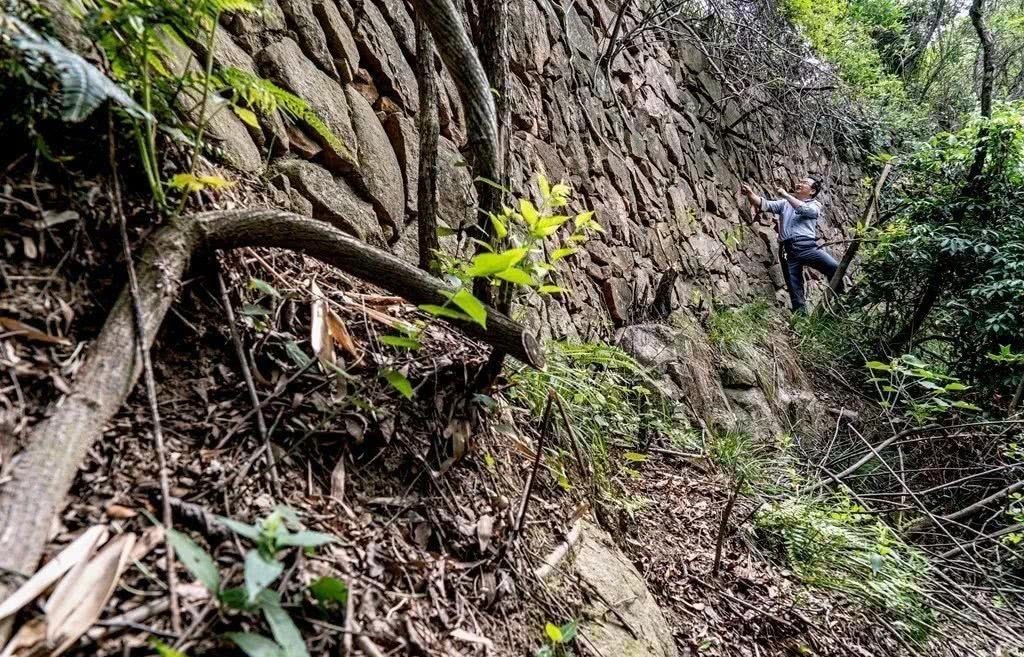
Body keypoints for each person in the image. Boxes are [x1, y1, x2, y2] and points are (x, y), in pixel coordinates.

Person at [741, 176, 839, 313]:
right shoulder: (784, 203)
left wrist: (786, 195)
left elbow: (805, 210)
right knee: (794, 286)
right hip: (787, 249)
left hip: (806, 246)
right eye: (800, 181)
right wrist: (750, 193)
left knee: (834, 267)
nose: (799, 184)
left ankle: (841, 301)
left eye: (804, 183)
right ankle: (801, 320)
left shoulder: (814, 204)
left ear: (812, 191)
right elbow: (764, 204)